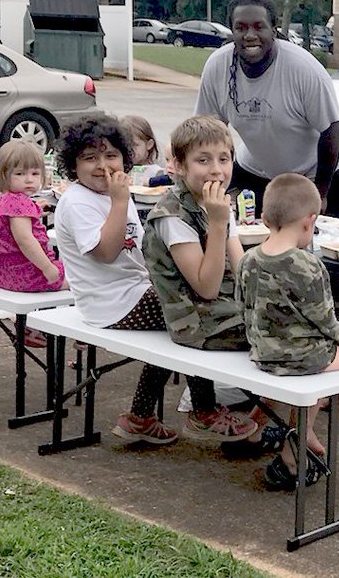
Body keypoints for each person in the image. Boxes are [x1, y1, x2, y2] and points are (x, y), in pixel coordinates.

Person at [53, 114, 253, 447]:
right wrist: (119, 202)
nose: (103, 165)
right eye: (90, 158)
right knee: (188, 319)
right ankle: (201, 412)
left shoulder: (116, 194)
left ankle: (141, 418)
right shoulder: (78, 201)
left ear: (125, 159)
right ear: (73, 165)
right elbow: (105, 252)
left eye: (111, 156)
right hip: (111, 303)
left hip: (136, 291)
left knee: (183, 316)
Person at [239, 172, 339, 488]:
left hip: (262, 352)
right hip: (301, 355)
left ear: (266, 219)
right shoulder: (309, 266)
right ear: (310, 221)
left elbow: (243, 305)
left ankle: (299, 434)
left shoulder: (248, 259)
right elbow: (325, 319)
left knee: (315, 375)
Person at [142, 115, 261, 441]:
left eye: (224, 159)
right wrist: (220, 223)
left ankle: (271, 420)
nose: (216, 170)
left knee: (297, 321)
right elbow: (205, 288)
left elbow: (242, 272)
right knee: (289, 339)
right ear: (179, 165)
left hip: (224, 310)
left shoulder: (217, 202)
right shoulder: (172, 215)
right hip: (195, 321)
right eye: (203, 160)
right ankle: (268, 424)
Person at [195, 0, 339, 217]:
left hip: (317, 172)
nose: (250, 35)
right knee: (247, 235)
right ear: (232, 30)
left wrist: (320, 193)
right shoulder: (217, 66)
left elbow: (331, 129)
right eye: (241, 27)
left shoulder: (303, 68)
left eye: (259, 27)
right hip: (257, 170)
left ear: (274, 29)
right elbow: (208, 132)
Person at [0, 139, 66, 292]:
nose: (29, 179)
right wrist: (47, 267)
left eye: (35, 173)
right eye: (20, 173)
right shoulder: (17, 204)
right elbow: (25, 240)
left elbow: (8, 225)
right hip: (27, 273)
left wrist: (34, 209)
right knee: (82, 280)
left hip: (3, 273)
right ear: (3, 175)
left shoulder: (2, 198)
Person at [121, 115, 171, 188]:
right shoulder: (120, 170)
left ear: (149, 145)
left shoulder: (157, 173)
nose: (129, 150)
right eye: (125, 145)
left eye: (135, 145)